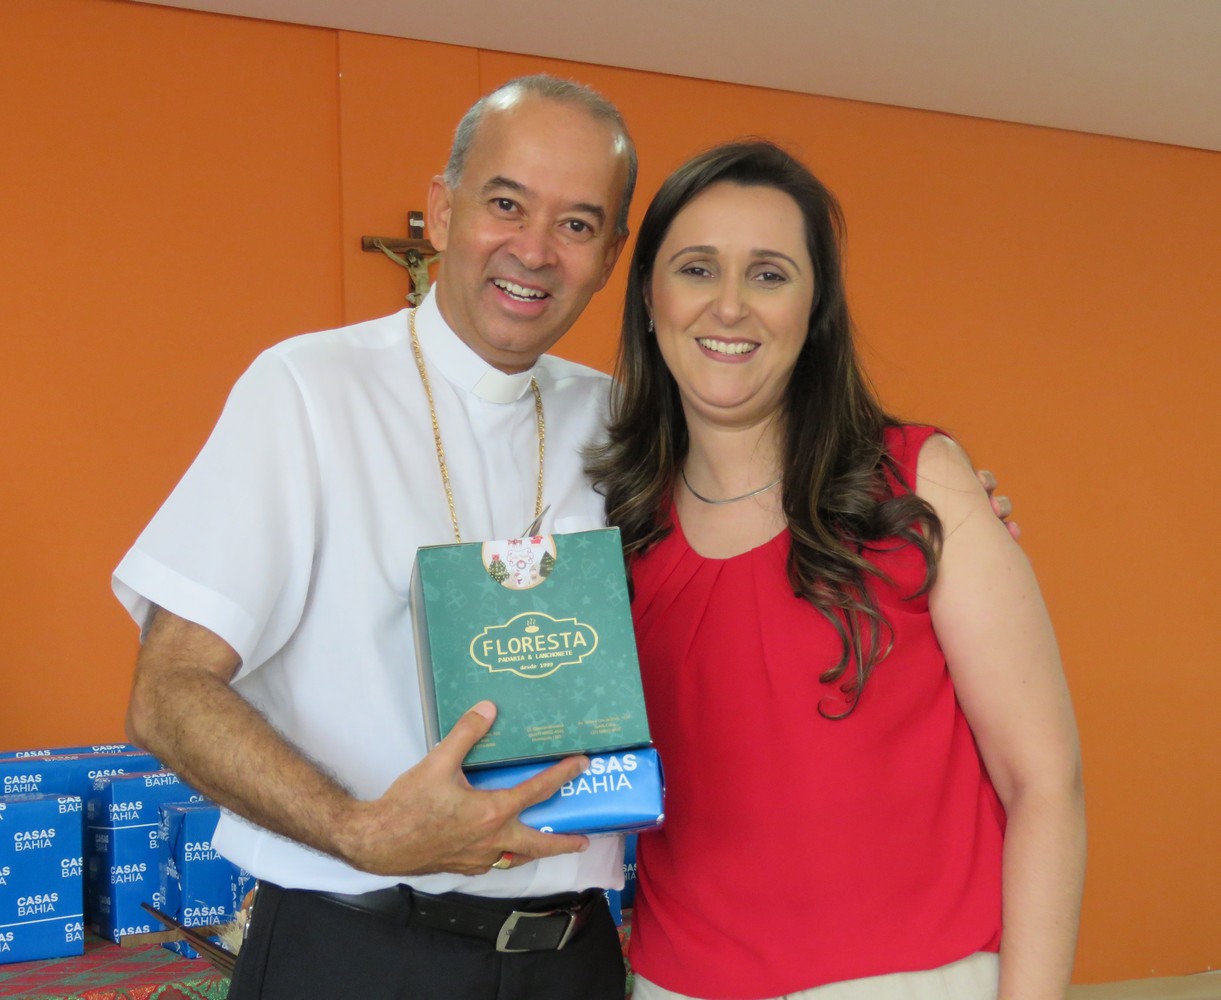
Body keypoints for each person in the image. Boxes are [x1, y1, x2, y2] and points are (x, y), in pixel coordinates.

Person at [114, 75, 637, 999]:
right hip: (356, 951)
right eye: (506, 203)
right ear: (442, 209)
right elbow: (168, 692)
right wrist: (360, 831)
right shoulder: (307, 391)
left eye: (576, 223)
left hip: (570, 959)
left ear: (608, 257)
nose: (534, 250)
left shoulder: (623, 423)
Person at [586, 140, 1084, 1000]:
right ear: (649, 297)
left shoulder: (917, 482)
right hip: (676, 983)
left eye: (769, 274)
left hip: (921, 980)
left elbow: (1043, 781)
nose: (730, 305)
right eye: (696, 269)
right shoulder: (609, 524)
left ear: (813, 306)